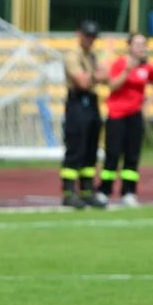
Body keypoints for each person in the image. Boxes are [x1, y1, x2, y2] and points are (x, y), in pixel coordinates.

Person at [97, 33, 153, 207]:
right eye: (137, 44)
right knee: (113, 154)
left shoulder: (147, 68)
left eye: (143, 44)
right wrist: (127, 70)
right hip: (117, 115)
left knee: (132, 156)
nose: (140, 48)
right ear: (129, 46)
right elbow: (113, 85)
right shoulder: (120, 63)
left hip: (135, 115)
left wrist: (148, 104)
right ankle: (104, 191)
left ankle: (129, 192)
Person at [59, 19, 108, 210]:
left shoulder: (93, 56)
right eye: (88, 35)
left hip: (92, 103)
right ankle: (69, 192)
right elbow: (82, 82)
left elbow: (106, 77)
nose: (91, 40)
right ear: (79, 34)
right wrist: (97, 75)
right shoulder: (73, 55)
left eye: (93, 36)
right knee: (76, 148)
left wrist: (95, 76)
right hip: (77, 103)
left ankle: (87, 191)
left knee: (91, 149)